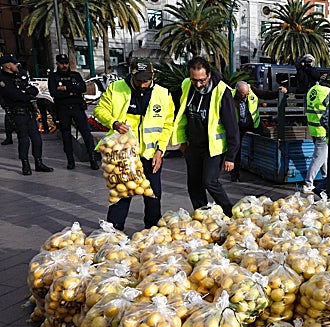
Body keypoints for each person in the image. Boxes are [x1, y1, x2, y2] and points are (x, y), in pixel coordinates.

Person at [93, 58, 175, 231]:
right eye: (139, 80)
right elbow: (99, 110)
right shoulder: (116, 89)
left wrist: (160, 150)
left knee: (153, 195)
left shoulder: (163, 94)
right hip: (123, 152)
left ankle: (152, 231)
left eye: (146, 80)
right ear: (132, 74)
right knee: (122, 193)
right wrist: (113, 122)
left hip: (150, 154)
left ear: (153, 75)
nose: (143, 84)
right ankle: (113, 231)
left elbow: (168, 125)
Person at [172, 56, 240, 216]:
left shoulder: (222, 92)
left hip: (213, 147)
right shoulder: (187, 85)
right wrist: (182, 141)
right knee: (194, 184)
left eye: (201, 80)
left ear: (208, 75)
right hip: (193, 145)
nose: (198, 84)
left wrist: (231, 156)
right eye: (194, 80)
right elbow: (182, 115)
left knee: (209, 181)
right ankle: (202, 215)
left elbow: (232, 126)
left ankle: (229, 213)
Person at [0, 54, 53, 175]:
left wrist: (26, 93)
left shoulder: (20, 74)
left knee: (37, 139)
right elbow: (14, 95)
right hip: (17, 113)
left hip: (28, 111)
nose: (17, 65)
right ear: (8, 66)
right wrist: (26, 94)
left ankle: (38, 162)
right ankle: (25, 164)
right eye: (14, 64)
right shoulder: (2, 79)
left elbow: (34, 89)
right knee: (24, 140)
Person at [48, 53, 99, 170]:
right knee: (66, 135)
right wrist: (73, 92)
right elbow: (54, 93)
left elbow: (83, 89)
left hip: (77, 108)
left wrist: (66, 89)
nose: (64, 66)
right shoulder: (53, 77)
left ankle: (92, 159)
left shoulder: (75, 75)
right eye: (61, 63)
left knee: (86, 133)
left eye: (66, 63)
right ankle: (70, 160)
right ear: (57, 64)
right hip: (63, 109)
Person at [231, 81, 287, 181]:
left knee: (267, 134)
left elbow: (265, 94)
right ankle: (235, 175)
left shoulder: (251, 90)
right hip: (238, 125)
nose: (246, 96)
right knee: (236, 148)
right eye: (244, 95)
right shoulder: (230, 95)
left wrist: (278, 92)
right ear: (238, 92)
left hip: (253, 123)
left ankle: (268, 165)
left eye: (247, 94)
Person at [302, 74, 330, 195]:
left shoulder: (312, 90)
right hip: (322, 129)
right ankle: (308, 183)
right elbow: (328, 113)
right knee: (318, 157)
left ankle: (326, 177)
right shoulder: (328, 92)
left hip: (313, 128)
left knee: (323, 156)